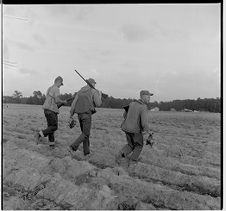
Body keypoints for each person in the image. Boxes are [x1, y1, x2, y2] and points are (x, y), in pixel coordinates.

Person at [115, 90, 153, 167]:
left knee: (130, 145)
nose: (149, 98)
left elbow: (124, 115)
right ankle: (132, 161)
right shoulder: (143, 107)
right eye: (148, 96)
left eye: (150, 97)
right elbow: (144, 123)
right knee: (139, 146)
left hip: (126, 128)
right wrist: (148, 132)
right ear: (143, 97)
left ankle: (120, 155)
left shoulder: (131, 103)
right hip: (135, 130)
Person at [68, 78, 102, 156]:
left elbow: (73, 104)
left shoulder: (80, 92)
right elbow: (98, 103)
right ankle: (73, 147)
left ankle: (86, 153)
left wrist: (71, 115)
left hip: (79, 115)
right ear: (92, 84)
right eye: (94, 83)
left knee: (85, 134)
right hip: (87, 115)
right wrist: (99, 95)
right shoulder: (93, 91)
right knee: (86, 133)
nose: (95, 85)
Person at [34, 76, 67, 148]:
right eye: (61, 84)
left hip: (47, 110)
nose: (60, 86)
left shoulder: (49, 88)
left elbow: (51, 100)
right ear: (58, 82)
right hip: (51, 110)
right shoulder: (56, 88)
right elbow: (57, 100)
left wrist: (61, 103)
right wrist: (63, 101)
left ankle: (51, 145)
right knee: (54, 127)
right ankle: (39, 134)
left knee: (50, 128)